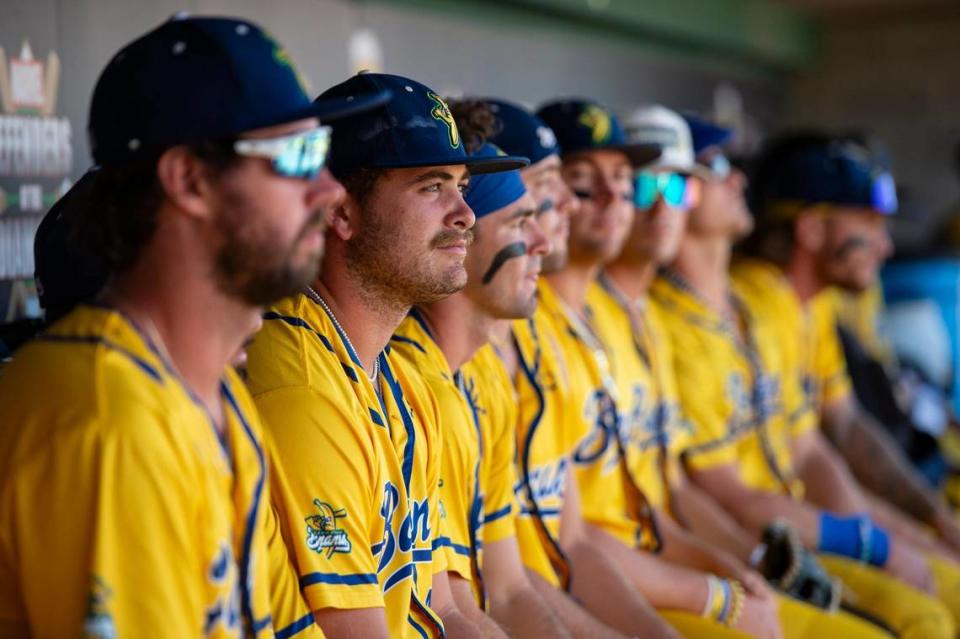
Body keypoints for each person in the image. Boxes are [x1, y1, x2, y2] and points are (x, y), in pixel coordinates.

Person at [0, 15, 374, 637]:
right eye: (297, 155)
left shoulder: (217, 393)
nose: (330, 189)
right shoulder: (108, 420)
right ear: (189, 180)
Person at [596, 105, 898, 638]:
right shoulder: (656, 319)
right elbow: (707, 494)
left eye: (682, 185)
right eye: (643, 187)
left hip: (716, 545)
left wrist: (748, 564)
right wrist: (867, 544)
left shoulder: (668, 315)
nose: (664, 204)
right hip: (634, 574)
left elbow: (673, 496)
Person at [244, 72, 520, 639]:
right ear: (340, 213)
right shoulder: (301, 386)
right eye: (431, 187)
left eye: (462, 187)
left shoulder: (399, 378)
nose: (465, 214)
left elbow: (447, 611)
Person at [652, 127, 956, 638]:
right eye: (868, 224)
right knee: (924, 616)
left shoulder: (761, 304)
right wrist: (880, 544)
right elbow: (723, 494)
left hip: (786, 530)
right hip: (740, 541)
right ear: (811, 229)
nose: (884, 247)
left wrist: (916, 533)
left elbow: (813, 449)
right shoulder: (691, 317)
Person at [391, 99, 574, 637]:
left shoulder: (483, 376)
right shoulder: (405, 381)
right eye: (521, 221)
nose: (541, 241)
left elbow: (509, 588)